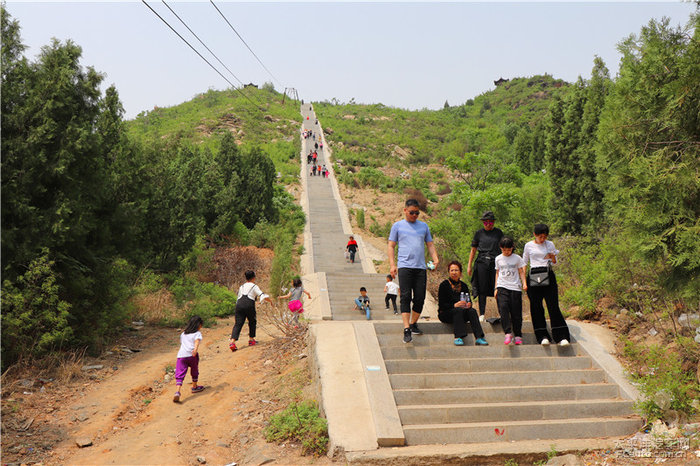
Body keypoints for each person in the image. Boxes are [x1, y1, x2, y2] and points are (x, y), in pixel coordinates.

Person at [388, 199, 439, 343]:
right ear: (405, 210)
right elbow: (391, 246)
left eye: (417, 213)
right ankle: (406, 329)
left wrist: (435, 259)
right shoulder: (397, 226)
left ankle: (413, 323)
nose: (414, 215)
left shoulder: (423, 226)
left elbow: (430, 244)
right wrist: (392, 265)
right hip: (404, 266)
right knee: (405, 296)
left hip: (420, 267)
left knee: (419, 298)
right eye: (412, 212)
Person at [523, 224, 571, 346]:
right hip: (533, 275)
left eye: (544, 236)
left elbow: (554, 262)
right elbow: (524, 263)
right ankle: (542, 335)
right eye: (540, 237)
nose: (542, 239)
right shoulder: (528, 245)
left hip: (548, 274)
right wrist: (523, 282)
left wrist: (552, 255)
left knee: (553, 305)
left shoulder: (550, 244)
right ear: (534, 235)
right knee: (536, 307)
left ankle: (561, 336)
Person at [438, 261, 488, 346]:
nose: (454, 272)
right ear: (449, 272)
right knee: (458, 310)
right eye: (452, 270)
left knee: (472, 311)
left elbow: (469, 300)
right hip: (446, 313)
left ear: (460, 272)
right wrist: (454, 305)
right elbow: (442, 305)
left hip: (461, 313)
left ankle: (479, 337)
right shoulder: (444, 285)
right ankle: (458, 337)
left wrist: (468, 304)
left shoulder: (464, 286)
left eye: (456, 270)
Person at [467, 211, 504, 322]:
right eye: (486, 222)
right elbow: (473, 250)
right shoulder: (479, 233)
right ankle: (482, 314)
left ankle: (502, 314)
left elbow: (504, 248)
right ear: (483, 222)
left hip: (495, 263)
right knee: (482, 288)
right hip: (482, 262)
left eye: (491, 222)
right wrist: (469, 265)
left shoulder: (498, 233)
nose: (488, 224)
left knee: (497, 288)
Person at [494, 237, 527, 345]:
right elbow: (497, 273)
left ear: (512, 248)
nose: (506, 252)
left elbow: (521, 271)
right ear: (501, 248)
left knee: (516, 312)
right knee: (503, 309)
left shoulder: (517, 258)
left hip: (515, 288)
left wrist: (524, 283)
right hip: (502, 286)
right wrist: (496, 287)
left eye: (508, 250)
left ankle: (518, 335)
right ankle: (507, 333)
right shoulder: (498, 258)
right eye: (504, 250)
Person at [229, 270, 272, 351]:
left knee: (238, 323)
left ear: (246, 278)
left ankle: (232, 342)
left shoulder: (241, 286)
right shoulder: (254, 286)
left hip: (239, 305)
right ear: (254, 278)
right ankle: (251, 340)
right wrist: (271, 301)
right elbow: (262, 295)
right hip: (249, 304)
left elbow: (238, 297)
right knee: (252, 321)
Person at [173, 315, 205, 402]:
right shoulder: (197, 333)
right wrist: (195, 350)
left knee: (180, 374)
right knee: (194, 370)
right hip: (192, 355)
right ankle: (194, 387)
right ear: (198, 325)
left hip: (181, 356)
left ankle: (177, 391)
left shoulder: (183, 334)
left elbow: (182, 344)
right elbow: (197, 341)